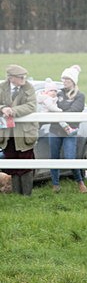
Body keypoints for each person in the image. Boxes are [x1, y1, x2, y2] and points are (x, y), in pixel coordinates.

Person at [47, 65, 87, 193]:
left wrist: (59, 112)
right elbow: (50, 106)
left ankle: (80, 182)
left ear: (73, 81)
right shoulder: (57, 94)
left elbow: (75, 110)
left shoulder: (79, 96)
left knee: (70, 158)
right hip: (55, 130)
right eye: (63, 78)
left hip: (70, 131)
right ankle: (55, 185)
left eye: (67, 79)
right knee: (54, 157)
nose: (64, 81)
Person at [0, 64, 38, 195]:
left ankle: (26, 195)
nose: (23, 79)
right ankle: (16, 194)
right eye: (20, 77)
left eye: (24, 77)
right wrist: (2, 108)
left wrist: (13, 111)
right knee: (12, 162)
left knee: (26, 163)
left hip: (25, 132)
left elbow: (31, 106)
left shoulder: (29, 88)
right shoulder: (2, 87)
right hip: (7, 133)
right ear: (11, 78)